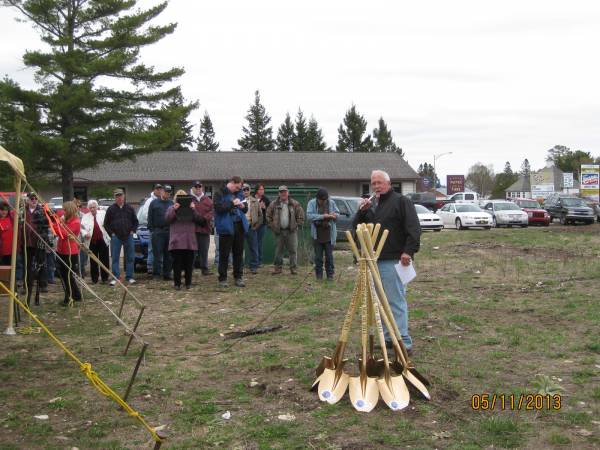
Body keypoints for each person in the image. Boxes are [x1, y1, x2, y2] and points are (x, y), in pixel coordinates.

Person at [352, 170, 421, 354]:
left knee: (395, 300)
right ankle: (389, 339)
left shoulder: (401, 201)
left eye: (379, 183)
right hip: (375, 259)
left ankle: (404, 342)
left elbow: (413, 227)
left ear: (388, 184)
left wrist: (408, 251)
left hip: (394, 259)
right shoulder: (372, 205)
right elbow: (358, 227)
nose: (376, 186)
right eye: (373, 183)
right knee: (380, 303)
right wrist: (361, 212)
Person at [213, 176, 248, 288]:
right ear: (232, 183)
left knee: (238, 253)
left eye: (239, 188)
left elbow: (245, 208)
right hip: (226, 226)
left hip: (239, 226)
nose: (238, 190)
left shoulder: (240, 193)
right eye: (237, 187)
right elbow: (219, 208)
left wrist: (242, 206)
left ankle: (238, 277)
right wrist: (232, 203)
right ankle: (222, 278)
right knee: (224, 254)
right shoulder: (219, 193)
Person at [166, 190, 203, 289]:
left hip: (189, 240)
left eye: (183, 197)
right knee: (176, 264)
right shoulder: (171, 208)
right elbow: (167, 219)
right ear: (175, 199)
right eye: (179, 197)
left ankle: (188, 283)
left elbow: (200, 220)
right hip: (176, 241)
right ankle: (177, 284)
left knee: (189, 264)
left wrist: (194, 209)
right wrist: (174, 209)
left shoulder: (191, 209)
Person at [266, 186, 305, 275]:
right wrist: (273, 226)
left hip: (291, 231)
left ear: (288, 193)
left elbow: (301, 216)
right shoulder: (273, 204)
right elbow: (268, 216)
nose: (283, 193)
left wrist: (296, 225)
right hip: (278, 232)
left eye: (285, 192)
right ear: (278, 193)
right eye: (281, 192)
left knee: (293, 250)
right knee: (278, 251)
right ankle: (278, 269)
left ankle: (293, 269)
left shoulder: (295, 204)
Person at [103, 189, 138, 285]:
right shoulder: (111, 209)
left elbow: (136, 221)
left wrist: (132, 231)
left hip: (128, 236)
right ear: (114, 197)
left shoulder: (130, 208)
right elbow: (106, 224)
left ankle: (130, 277)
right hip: (116, 237)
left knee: (130, 257)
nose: (119, 197)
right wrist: (112, 234)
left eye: (120, 195)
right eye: (117, 196)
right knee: (115, 258)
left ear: (124, 196)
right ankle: (115, 277)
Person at [307, 188, 340, 280]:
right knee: (318, 257)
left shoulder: (332, 203)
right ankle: (319, 276)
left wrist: (335, 215)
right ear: (317, 198)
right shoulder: (311, 203)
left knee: (329, 257)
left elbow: (337, 214)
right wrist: (323, 216)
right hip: (317, 234)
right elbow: (309, 216)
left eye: (325, 200)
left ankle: (330, 275)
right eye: (321, 200)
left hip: (329, 234)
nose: (323, 201)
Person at [55, 201, 82, 305]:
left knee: (68, 276)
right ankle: (75, 295)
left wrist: (55, 224)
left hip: (70, 252)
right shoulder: (64, 220)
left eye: (65, 210)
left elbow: (63, 233)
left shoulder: (75, 222)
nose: (63, 211)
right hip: (61, 250)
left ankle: (70, 296)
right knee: (64, 275)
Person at [22, 193, 49, 294]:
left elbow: (48, 227)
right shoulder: (22, 211)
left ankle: (43, 284)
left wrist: (47, 242)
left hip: (39, 241)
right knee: (27, 265)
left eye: (35, 198)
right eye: (32, 198)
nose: (34, 200)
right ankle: (27, 285)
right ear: (28, 200)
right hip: (26, 242)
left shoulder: (43, 211)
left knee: (41, 263)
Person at [81, 200, 110, 284]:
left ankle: (105, 278)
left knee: (104, 259)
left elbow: (108, 224)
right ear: (88, 208)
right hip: (92, 241)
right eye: (90, 207)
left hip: (103, 240)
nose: (92, 209)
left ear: (97, 207)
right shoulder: (85, 216)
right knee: (93, 260)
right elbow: (81, 228)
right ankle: (95, 279)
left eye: (94, 207)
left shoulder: (103, 213)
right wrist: (85, 233)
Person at [147, 185, 174, 280]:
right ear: (162, 191)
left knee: (168, 255)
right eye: (166, 191)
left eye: (169, 192)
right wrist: (152, 230)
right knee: (157, 254)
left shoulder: (172, 203)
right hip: (158, 231)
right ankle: (157, 274)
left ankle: (167, 274)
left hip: (169, 231)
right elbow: (149, 218)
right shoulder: (154, 203)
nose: (167, 193)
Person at [138, 183, 164, 275]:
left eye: (160, 189)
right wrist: (153, 223)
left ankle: (160, 267)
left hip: (162, 229)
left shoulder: (163, 200)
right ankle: (150, 267)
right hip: (153, 228)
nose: (159, 190)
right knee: (151, 248)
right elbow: (145, 215)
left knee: (161, 249)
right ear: (154, 190)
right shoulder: (149, 201)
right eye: (157, 189)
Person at [190, 181, 214, 275]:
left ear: (202, 188)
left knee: (204, 250)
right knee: (191, 251)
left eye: (199, 186)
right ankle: (189, 269)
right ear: (192, 188)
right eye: (196, 187)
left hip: (204, 228)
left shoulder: (208, 200)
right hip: (192, 230)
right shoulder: (189, 199)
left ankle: (204, 268)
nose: (198, 188)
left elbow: (212, 211)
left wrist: (204, 219)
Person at [242, 183, 262, 274]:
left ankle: (254, 266)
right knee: (238, 248)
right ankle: (239, 265)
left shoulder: (255, 201)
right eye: (244, 189)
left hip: (251, 227)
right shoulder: (237, 200)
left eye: (247, 189)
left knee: (254, 247)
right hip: (240, 227)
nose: (245, 191)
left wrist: (256, 226)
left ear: (250, 191)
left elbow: (260, 216)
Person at [253, 183, 271, 267]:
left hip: (262, 224)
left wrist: (264, 208)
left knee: (259, 242)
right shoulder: (251, 198)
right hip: (252, 223)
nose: (262, 191)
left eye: (263, 189)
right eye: (260, 189)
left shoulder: (265, 199)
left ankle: (259, 261)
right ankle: (253, 261)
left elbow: (271, 211)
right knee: (253, 242)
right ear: (256, 190)